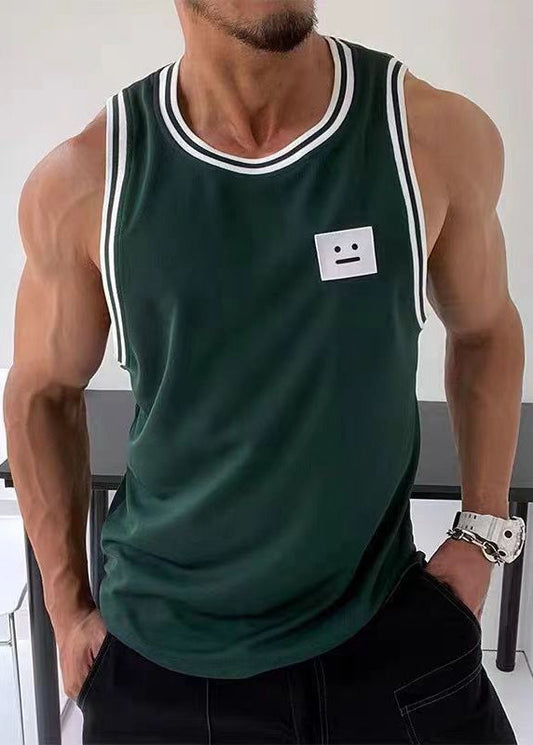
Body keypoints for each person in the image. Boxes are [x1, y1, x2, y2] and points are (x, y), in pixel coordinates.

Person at [4, 1, 525, 743]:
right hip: (164, 659)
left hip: (383, 626)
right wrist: (65, 608)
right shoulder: (88, 180)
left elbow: (486, 332)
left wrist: (480, 533)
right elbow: (40, 393)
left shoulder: (427, 135)